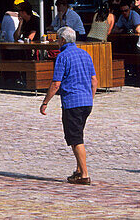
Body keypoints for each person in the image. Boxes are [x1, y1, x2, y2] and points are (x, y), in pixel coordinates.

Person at [40, 27, 97, 185]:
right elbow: (94, 81)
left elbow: (56, 83)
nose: (58, 42)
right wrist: (90, 98)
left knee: (75, 138)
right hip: (86, 102)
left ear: (62, 40)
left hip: (72, 102)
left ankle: (84, 174)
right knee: (76, 135)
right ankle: (79, 170)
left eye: (58, 39)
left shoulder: (62, 56)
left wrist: (45, 102)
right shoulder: (85, 54)